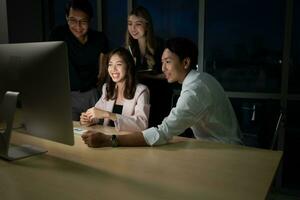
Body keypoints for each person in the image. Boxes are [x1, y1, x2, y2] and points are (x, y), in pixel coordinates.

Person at [81, 37, 243, 147]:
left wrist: (110, 140)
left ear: (185, 62)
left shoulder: (194, 92)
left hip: (224, 150)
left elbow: (162, 132)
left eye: (168, 62)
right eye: (162, 62)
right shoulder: (202, 79)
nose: (163, 68)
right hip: (213, 146)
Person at [49, 0, 108, 121]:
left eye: (83, 21)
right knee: (71, 133)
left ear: (90, 20)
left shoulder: (99, 38)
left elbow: (103, 70)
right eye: (73, 20)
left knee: (96, 131)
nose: (78, 26)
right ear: (66, 18)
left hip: (92, 94)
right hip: (68, 95)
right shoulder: (58, 34)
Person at [80, 47, 150, 132]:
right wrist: (88, 119)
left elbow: (142, 124)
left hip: (127, 140)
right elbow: (97, 113)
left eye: (118, 64)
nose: (113, 69)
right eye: (110, 64)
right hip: (108, 137)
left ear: (128, 66)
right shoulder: (107, 88)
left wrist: (108, 115)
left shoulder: (141, 91)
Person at [125, 6, 173, 127]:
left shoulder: (161, 46)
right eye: (130, 24)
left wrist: (144, 75)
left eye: (138, 24)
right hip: (138, 99)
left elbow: (170, 75)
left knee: (156, 132)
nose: (133, 28)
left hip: (159, 97)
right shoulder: (129, 48)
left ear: (147, 25)